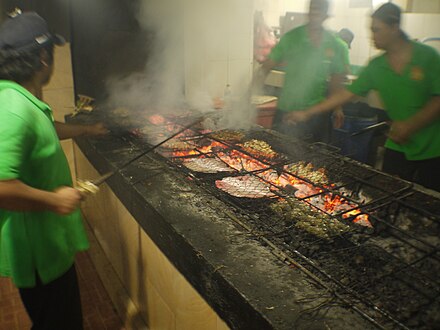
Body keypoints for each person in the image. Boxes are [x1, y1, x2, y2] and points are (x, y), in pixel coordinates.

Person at [0, 11, 106, 329]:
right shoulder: (14, 109)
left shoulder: (19, 99)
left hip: (47, 246)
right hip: (39, 254)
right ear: (44, 57)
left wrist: (85, 131)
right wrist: (55, 200)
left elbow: (45, 130)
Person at [288, 3, 440, 191]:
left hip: (433, 148)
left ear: (394, 28)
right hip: (398, 145)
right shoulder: (377, 66)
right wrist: (307, 113)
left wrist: (411, 125)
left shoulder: (427, 57)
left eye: (376, 30)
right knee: (389, 200)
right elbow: (345, 94)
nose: (372, 36)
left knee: (429, 207)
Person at [253, 0, 347, 143]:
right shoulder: (291, 38)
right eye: (313, 8)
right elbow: (265, 68)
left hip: (316, 115)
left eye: (319, 9)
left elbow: (336, 80)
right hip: (286, 111)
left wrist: (338, 108)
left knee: (314, 161)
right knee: (277, 156)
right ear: (308, 11)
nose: (315, 13)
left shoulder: (335, 44)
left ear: (326, 14)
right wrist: (247, 96)